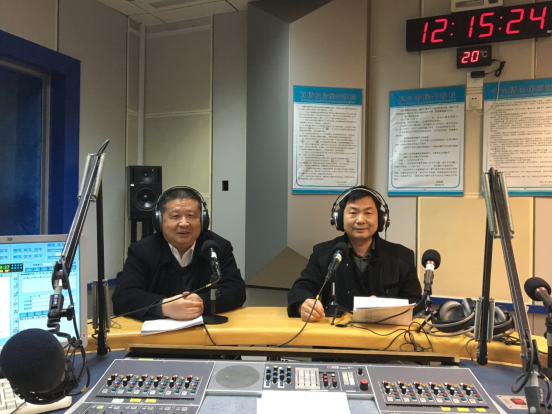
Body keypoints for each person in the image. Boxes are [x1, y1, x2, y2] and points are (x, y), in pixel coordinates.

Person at [287, 186, 422, 322]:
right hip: (335, 332)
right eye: (353, 213)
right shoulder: (323, 253)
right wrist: (303, 303)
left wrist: (386, 305)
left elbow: (417, 302)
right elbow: (301, 288)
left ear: (381, 219)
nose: (360, 220)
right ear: (339, 218)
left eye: (368, 213)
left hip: (385, 333)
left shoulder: (402, 257)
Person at [112, 186, 246, 321]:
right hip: (158, 331)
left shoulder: (217, 247)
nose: (184, 223)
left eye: (191, 216)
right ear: (159, 221)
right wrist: (163, 306)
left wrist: (201, 302)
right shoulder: (142, 251)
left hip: (205, 329)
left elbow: (236, 290)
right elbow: (124, 296)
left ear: (202, 220)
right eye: (175, 216)